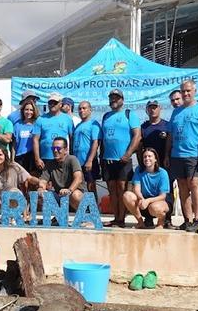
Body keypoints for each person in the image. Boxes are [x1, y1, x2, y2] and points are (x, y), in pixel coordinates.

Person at [166, 80, 198, 232]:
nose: (186, 93)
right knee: (182, 187)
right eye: (183, 91)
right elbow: (170, 135)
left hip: (194, 154)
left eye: (188, 90)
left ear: (194, 91)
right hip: (176, 155)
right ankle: (188, 220)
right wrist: (167, 155)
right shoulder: (176, 111)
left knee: (194, 184)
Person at [101, 88, 142, 227]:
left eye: (117, 98)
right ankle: (116, 218)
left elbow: (137, 135)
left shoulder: (129, 114)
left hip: (123, 160)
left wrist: (128, 153)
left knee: (122, 189)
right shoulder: (106, 116)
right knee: (112, 190)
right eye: (111, 98)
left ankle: (121, 219)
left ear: (122, 100)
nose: (114, 100)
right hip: (108, 159)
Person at [139, 100, 172, 227]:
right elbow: (140, 146)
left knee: (166, 193)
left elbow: (170, 142)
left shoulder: (166, 125)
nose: (153, 110)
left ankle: (166, 219)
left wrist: (167, 157)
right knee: (146, 190)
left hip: (164, 163)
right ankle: (148, 218)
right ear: (147, 110)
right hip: (148, 164)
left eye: (155, 107)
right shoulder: (144, 127)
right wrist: (142, 162)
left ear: (160, 108)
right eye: (150, 108)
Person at [123, 147, 170, 229]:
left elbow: (163, 196)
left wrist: (148, 201)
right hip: (144, 200)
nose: (147, 158)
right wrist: (142, 199)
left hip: (159, 201)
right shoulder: (139, 170)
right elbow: (136, 189)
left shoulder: (162, 173)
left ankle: (161, 223)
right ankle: (140, 222)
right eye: (145, 157)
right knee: (127, 195)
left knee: (154, 208)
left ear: (155, 159)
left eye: (149, 156)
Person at [38, 137, 85, 211]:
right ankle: (57, 217)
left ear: (66, 150)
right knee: (42, 194)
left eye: (58, 148)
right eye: (53, 148)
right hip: (59, 196)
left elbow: (78, 178)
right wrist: (41, 188)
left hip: (72, 194)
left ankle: (86, 215)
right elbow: (43, 180)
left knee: (75, 195)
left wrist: (69, 190)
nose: (55, 151)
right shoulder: (49, 164)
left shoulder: (72, 159)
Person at [32, 92, 74, 173]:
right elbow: (35, 140)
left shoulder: (67, 119)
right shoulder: (40, 119)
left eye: (55, 103)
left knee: (62, 184)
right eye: (50, 102)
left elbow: (72, 138)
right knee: (45, 183)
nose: (52, 105)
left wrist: (71, 156)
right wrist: (37, 158)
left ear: (61, 104)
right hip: (45, 158)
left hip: (62, 158)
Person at [0, 146, 31, 215]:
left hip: (13, 199)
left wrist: (40, 182)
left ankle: (14, 215)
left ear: (5, 156)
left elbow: (29, 178)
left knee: (12, 191)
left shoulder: (14, 166)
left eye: (0, 155)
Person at [72, 101, 101, 194]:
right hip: (77, 162)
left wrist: (90, 160)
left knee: (90, 188)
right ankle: (82, 208)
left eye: (84, 108)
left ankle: (94, 208)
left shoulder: (94, 124)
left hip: (88, 162)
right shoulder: (78, 125)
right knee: (79, 188)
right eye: (80, 109)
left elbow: (96, 142)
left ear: (90, 110)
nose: (81, 110)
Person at [12, 100, 38, 173]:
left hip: (32, 157)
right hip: (19, 157)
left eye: (31, 110)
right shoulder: (17, 125)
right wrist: (12, 159)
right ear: (23, 110)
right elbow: (14, 144)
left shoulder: (37, 124)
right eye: (26, 109)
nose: (29, 112)